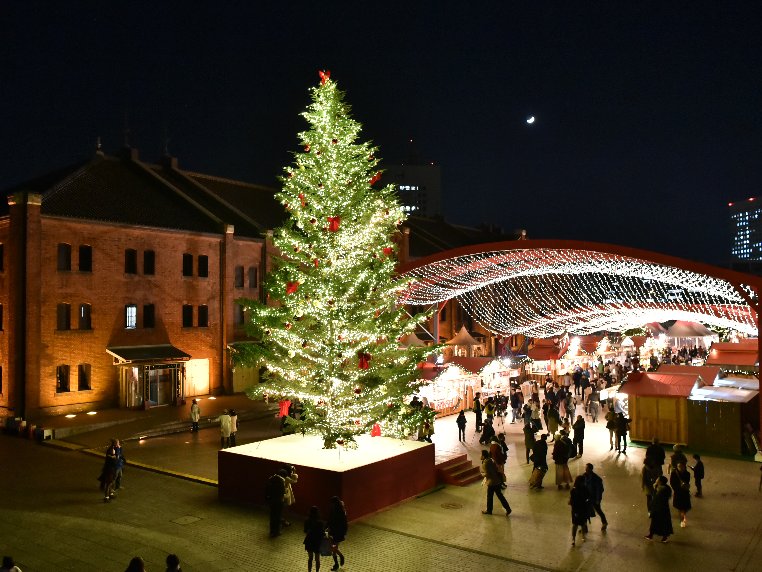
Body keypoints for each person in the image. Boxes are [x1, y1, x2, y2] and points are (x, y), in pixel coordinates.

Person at [479, 449, 512, 516]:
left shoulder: (486, 463)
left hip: (492, 482)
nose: (480, 456)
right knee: (500, 496)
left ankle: (489, 510)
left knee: (490, 497)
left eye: (481, 455)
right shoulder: (491, 460)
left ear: (483, 456)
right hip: (497, 481)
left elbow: (488, 473)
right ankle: (508, 509)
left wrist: (482, 475)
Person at [645, 475, 674, 543]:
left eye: (657, 479)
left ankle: (654, 535)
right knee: (658, 522)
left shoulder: (662, 490)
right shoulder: (665, 488)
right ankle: (654, 535)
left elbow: (656, 498)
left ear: (660, 481)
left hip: (660, 508)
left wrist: (655, 488)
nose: (656, 480)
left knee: (657, 522)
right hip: (662, 508)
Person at [583, 463, 608, 531]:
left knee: (598, 510)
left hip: (593, 498)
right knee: (585, 511)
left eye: (587, 468)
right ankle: (584, 525)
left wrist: (597, 499)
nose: (585, 469)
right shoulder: (584, 476)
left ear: (590, 469)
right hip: (586, 497)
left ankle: (604, 523)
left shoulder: (596, 479)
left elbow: (599, 490)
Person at [569, 475, 592, 546]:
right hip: (577, 509)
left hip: (581, 509)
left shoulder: (583, 488)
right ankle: (574, 538)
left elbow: (589, 496)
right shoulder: (574, 490)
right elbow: (573, 502)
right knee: (576, 524)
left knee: (582, 524)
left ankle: (581, 536)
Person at [327, 496, 348, 571]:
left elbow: (331, 520)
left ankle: (340, 558)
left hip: (336, 532)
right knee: (333, 548)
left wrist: (328, 527)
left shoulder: (337, 511)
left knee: (333, 548)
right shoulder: (341, 510)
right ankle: (336, 563)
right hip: (337, 532)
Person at [303, 505, 326, 572]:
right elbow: (322, 533)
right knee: (317, 559)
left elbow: (305, 531)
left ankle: (309, 571)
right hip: (317, 542)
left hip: (309, 540)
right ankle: (317, 571)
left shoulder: (307, 521)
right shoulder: (320, 523)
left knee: (310, 558)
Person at [670, 461, 691, 527]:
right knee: (680, 508)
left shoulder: (687, 474)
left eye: (682, 466)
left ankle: (683, 516)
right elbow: (672, 483)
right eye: (679, 466)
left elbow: (687, 481)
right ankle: (682, 520)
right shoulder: (674, 473)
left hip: (685, 492)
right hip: (678, 493)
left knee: (685, 508)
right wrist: (678, 488)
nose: (681, 468)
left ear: (684, 467)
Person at [265, 469, 287, 537]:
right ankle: (276, 531)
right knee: (278, 516)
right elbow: (282, 492)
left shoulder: (271, 478)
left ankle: (272, 531)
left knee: (272, 516)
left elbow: (267, 489)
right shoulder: (281, 481)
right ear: (283, 475)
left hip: (271, 500)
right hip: (279, 501)